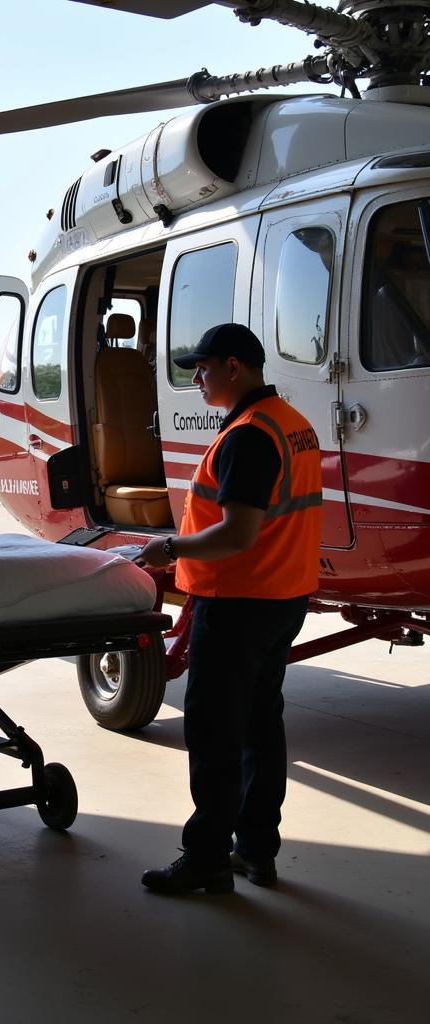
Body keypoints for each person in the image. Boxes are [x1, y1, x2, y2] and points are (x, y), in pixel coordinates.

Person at [138, 323, 322, 895]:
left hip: (240, 601)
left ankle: (208, 858)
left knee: (215, 733)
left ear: (235, 367)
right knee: (261, 726)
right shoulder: (292, 425)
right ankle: (256, 851)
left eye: (203, 366)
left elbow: (237, 534)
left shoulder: (250, 434)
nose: (196, 377)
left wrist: (168, 548)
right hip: (282, 597)